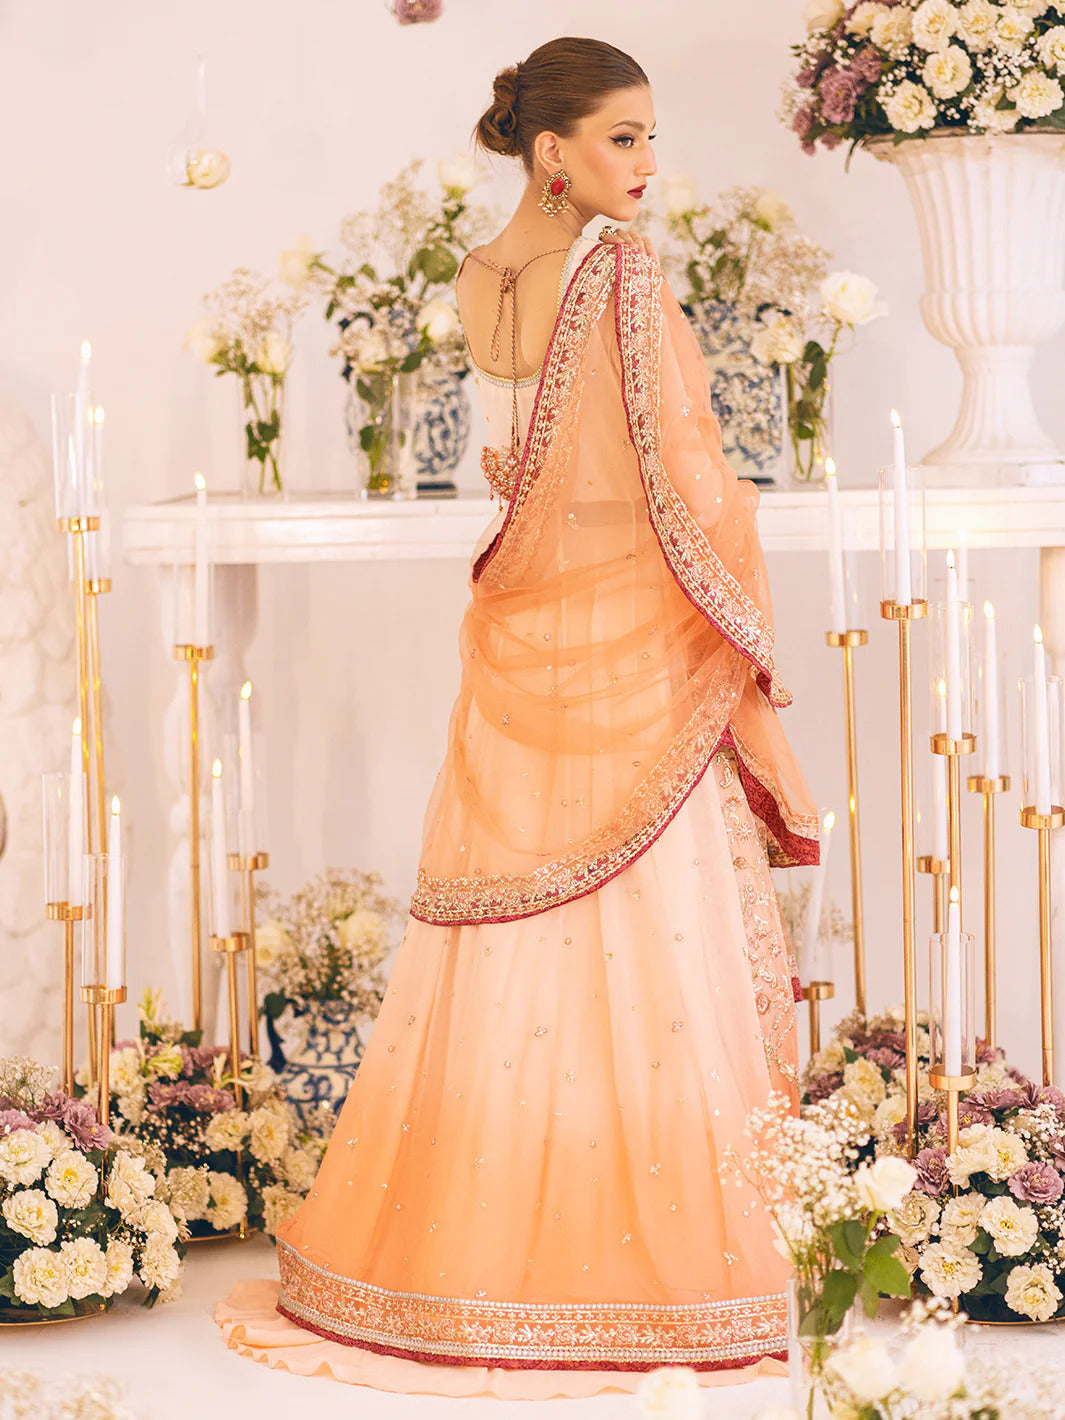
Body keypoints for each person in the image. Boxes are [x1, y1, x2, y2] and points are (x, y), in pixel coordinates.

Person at [217, 35, 818, 1401]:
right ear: (555, 150)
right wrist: (732, 602)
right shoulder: (621, 271)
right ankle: (644, 1261)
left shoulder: (482, 272)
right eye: (623, 136)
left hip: (529, 622)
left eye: (650, 136)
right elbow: (682, 466)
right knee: (644, 911)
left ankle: (487, 1252)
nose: (648, 163)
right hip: (630, 626)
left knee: (516, 913)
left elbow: (524, 449)